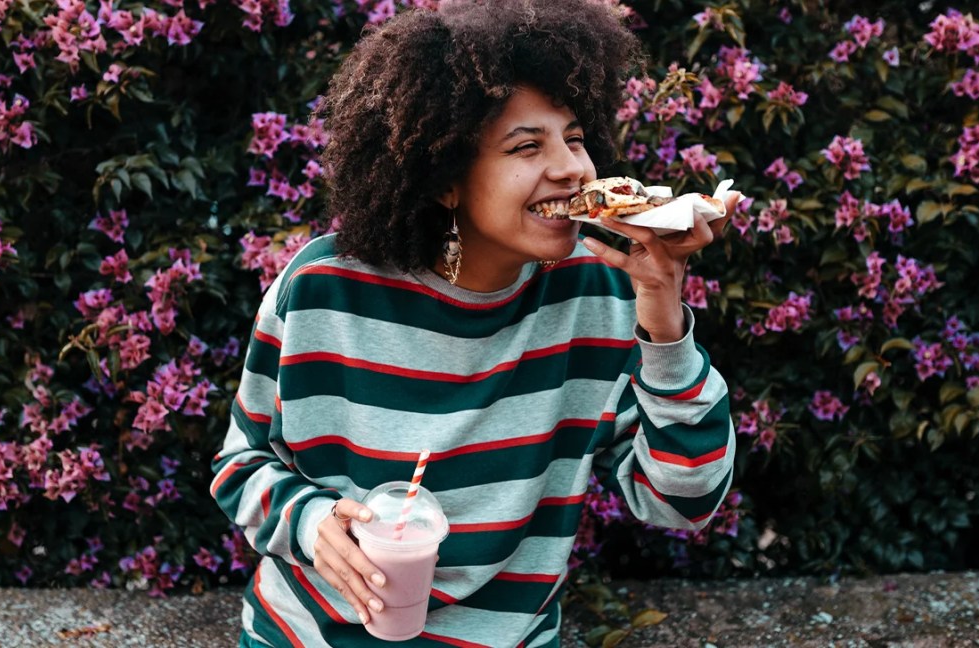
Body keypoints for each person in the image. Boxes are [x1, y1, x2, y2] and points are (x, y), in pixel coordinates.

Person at [210, 0, 740, 646]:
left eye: (574, 137)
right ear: (445, 179)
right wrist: (308, 520)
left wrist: (662, 318)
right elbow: (241, 465)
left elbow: (683, 502)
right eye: (526, 145)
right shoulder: (324, 289)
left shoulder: (595, 293)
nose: (572, 167)